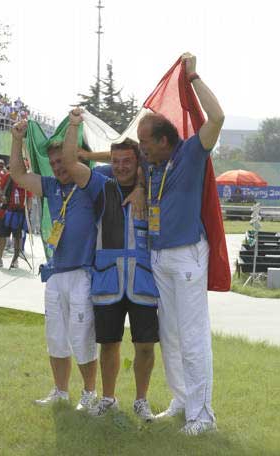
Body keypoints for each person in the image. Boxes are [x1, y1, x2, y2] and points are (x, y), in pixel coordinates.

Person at [135, 52, 225, 435]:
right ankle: (181, 399)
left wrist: (193, 77)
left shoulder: (190, 153)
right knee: (169, 332)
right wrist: (139, 183)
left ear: (165, 140)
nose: (142, 149)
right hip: (159, 257)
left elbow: (217, 118)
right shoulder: (151, 167)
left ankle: (202, 416)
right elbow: (121, 156)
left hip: (188, 254)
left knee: (191, 334)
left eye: (146, 142)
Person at [62, 110, 159, 421]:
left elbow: (152, 158)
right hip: (107, 280)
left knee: (145, 345)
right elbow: (70, 163)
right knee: (109, 344)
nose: (120, 166)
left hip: (143, 280)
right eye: (115, 161)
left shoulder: (152, 181)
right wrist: (74, 126)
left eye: (127, 161)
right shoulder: (100, 185)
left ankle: (141, 401)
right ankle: (108, 397)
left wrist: (142, 186)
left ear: (138, 160)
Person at [10, 121, 102, 410]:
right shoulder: (51, 186)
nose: (57, 167)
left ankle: (89, 393)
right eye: (52, 162)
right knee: (56, 337)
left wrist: (73, 131)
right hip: (56, 272)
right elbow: (18, 174)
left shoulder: (88, 181)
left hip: (83, 273)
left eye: (61, 160)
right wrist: (16, 139)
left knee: (81, 335)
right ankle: (60, 391)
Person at [0, 173, 33, 268]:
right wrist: (1, 197)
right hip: (6, 211)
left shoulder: (26, 179)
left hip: (19, 213)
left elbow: (29, 197)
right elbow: (0, 191)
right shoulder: (8, 177)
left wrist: (28, 213)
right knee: (2, 236)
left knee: (17, 237)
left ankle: (15, 260)